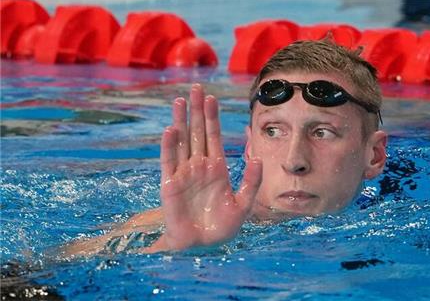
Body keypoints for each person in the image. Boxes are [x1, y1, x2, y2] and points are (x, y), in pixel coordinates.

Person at [62, 38, 388, 257]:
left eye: (323, 132)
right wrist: (171, 248)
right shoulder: (176, 220)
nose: (294, 161)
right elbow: (31, 277)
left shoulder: (396, 228)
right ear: (249, 148)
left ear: (374, 156)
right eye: (273, 131)